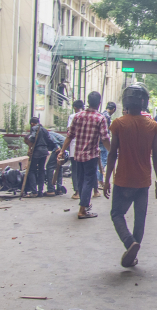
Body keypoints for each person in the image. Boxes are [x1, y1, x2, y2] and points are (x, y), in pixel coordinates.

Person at [104, 82, 157, 268]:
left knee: (116, 213)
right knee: (140, 217)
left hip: (122, 179)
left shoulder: (118, 124)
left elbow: (112, 153)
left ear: (126, 102)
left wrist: (106, 179)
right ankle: (134, 247)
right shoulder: (153, 126)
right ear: (144, 102)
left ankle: (130, 244)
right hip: (143, 180)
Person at [59, 91, 111, 219]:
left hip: (77, 155)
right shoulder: (100, 118)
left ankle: (84, 205)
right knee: (89, 180)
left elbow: (69, 135)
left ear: (88, 101)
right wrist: (112, 151)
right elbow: (105, 138)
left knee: (81, 180)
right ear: (99, 104)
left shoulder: (78, 116)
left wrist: (62, 150)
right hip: (91, 155)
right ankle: (83, 209)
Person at [23, 117, 58, 197]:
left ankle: (34, 191)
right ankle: (40, 191)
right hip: (44, 151)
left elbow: (32, 138)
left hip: (37, 151)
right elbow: (49, 140)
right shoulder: (45, 130)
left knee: (32, 170)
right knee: (41, 170)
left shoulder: (34, 128)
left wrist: (29, 149)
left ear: (32, 123)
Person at [67, 100, 84, 199]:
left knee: (75, 170)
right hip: (85, 147)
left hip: (74, 147)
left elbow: (69, 131)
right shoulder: (87, 116)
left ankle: (77, 192)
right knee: (84, 169)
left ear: (74, 107)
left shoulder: (73, 117)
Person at [98, 102, 117, 189]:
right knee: (104, 160)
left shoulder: (101, 114)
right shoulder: (107, 117)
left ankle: (98, 179)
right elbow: (106, 132)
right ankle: (99, 179)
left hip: (98, 140)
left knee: (100, 160)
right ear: (113, 109)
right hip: (103, 141)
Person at [46, 131, 66, 196]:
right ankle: (59, 189)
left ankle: (51, 189)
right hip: (66, 149)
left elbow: (56, 142)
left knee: (49, 167)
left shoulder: (48, 134)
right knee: (59, 167)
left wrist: (58, 148)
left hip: (60, 148)